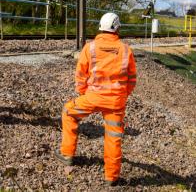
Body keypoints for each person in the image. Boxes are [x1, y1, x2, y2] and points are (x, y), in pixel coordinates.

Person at [55, 12, 137, 186]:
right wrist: (122, 95)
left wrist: (84, 92)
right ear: (117, 28)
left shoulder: (90, 47)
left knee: (69, 112)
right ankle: (111, 177)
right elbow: (132, 79)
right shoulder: (126, 49)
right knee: (113, 136)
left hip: (92, 97)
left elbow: (80, 74)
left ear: (100, 27)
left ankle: (67, 154)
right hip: (116, 101)